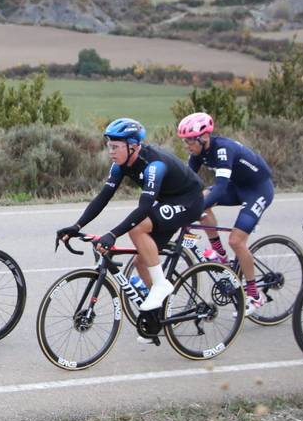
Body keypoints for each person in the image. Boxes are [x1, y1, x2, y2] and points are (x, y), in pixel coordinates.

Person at [57, 118, 204, 313]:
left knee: (137, 228)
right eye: (109, 146)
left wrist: (113, 234)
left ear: (133, 146)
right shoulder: (119, 165)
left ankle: (161, 285)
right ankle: (158, 315)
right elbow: (103, 198)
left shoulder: (154, 165)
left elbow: (144, 208)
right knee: (141, 262)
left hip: (189, 201)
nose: (111, 152)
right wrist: (77, 226)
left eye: (115, 147)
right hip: (168, 201)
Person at [177, 112, 275, 312]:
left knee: (236, 241)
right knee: (201, 199)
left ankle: (255, 295)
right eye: (184, 141)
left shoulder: (223, 149)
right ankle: (220, 254)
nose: (187, 145)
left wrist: (193, 206)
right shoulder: (198, 153)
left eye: (189, 141)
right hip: (237, 186)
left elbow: (220, 188)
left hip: (258, 190)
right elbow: (186, 182)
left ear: (203, 138)